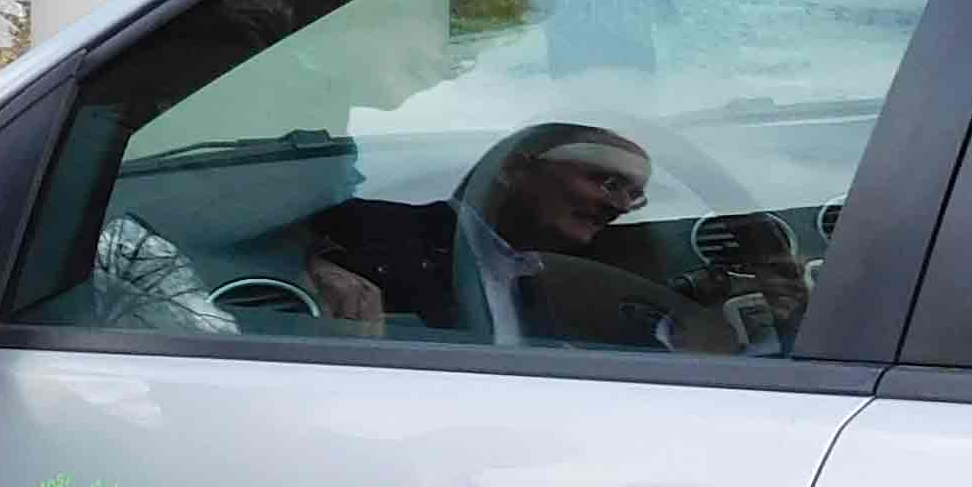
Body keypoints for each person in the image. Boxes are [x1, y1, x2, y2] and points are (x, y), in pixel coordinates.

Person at [300, 121, 798, 351]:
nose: (620, 206)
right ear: (514, 170)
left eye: (635, 195)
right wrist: (314, 267)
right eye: (607, 182)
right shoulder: (384, 230)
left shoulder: (566, 274)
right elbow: (278, 237)